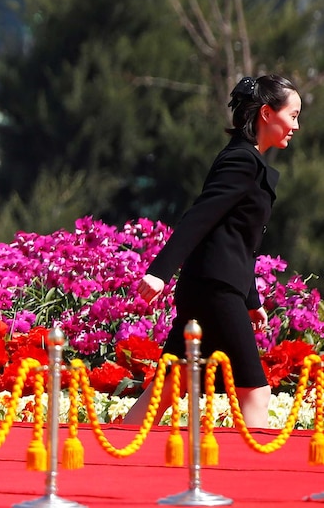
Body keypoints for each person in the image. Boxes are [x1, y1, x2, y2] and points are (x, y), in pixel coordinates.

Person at [124, 74, 301, 428]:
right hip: (214, 290)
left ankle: (114, 454)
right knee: (255, 392)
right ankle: (257, 478)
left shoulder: (249, 161)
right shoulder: (242, 161)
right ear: (267, 113)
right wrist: (159, 273)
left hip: (212, 286)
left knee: (168, 386)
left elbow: (238, 239)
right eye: (293, 115)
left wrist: (251, 300)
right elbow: (199, 218)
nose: (296, 125)